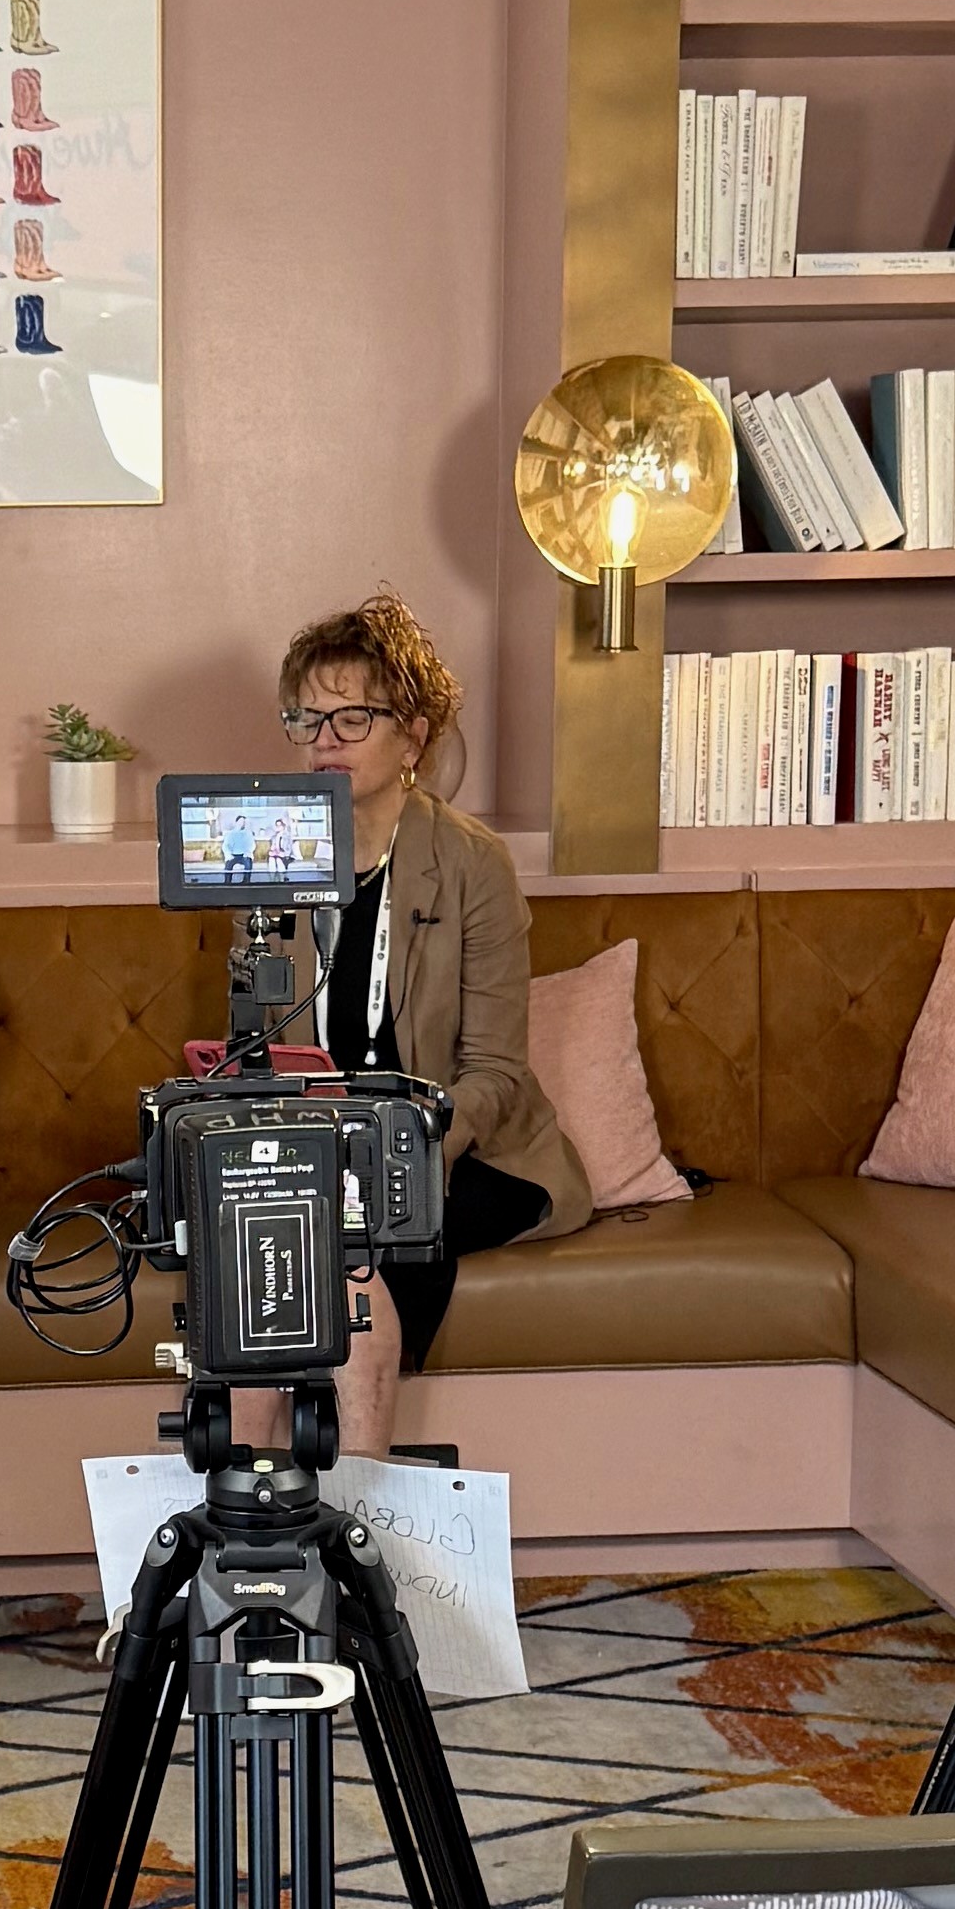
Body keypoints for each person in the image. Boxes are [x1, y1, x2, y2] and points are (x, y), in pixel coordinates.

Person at [243, 593, 591, 1461]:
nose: (324, 741)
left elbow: (496, 1073)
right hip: (321, 1148)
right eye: (307, 720)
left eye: (351, 718)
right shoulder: (275, 851)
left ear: (414, 736)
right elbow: (253, 1046)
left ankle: (357, 1499)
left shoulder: (471, 861)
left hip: (466, 1151)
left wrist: (400, 1154)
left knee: (363, 1235)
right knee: (263, 1245)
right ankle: (243, 1501)